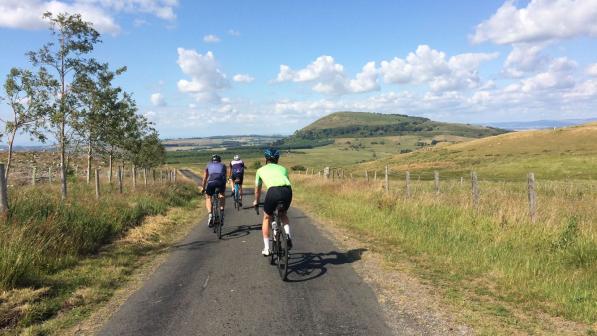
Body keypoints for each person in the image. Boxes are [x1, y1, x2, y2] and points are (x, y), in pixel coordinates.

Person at [253, 148, 293, 256]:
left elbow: (257, 190)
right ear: (277, 159)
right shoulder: (283, 168)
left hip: (273, 191)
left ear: (266, 159)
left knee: (267, 217)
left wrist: (256, 201)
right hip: (287, 191)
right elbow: (286, 181)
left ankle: (267, 248)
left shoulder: (260, 170)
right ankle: (288, 236)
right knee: (283, 214)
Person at [201, 154, 227, 227]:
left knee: (208, 196)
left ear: (212, 160)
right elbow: (224, 176)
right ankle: (221, 211)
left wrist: (203, 188)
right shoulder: (223, 165)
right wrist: (223, 187)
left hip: (211, 182)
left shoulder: (208, 165)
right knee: (222, 194)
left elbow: (205, 178)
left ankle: (210, 214)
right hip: (220, 182)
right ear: (219, 160)